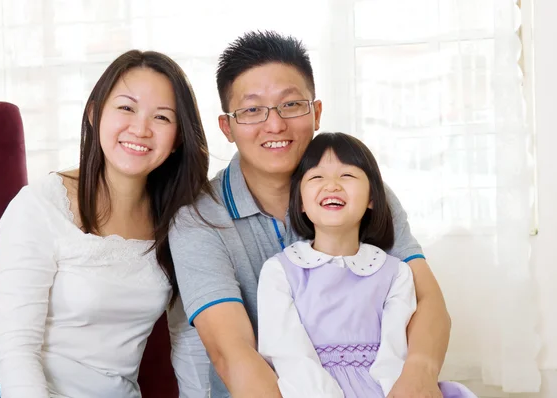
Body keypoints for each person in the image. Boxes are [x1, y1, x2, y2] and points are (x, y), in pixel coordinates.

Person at [169, 30, 451, 398]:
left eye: (291, 105)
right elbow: (232, 353)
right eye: (252, 109)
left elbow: (427, 298)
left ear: (316, 113)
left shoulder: (359, 191)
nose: (275, 125)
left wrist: (418, 374)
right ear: (227, 127)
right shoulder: (199, 219)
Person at [0, 50, 210, 398]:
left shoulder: (181, 220)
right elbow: (16, 349)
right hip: (10, 387)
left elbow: (188, 339)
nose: (140, 128)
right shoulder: (39, 206)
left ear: (178, 138)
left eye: (161, 117)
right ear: (94, 113)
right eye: (126, 108)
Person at [257, 132, 476, 398]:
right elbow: (287, 353)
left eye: (347, 176)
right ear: (300, 202)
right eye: (317, 177)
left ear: (372, 197)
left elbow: (395, 355)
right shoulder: (280, 270)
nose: (332, 185)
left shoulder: (395, 273)